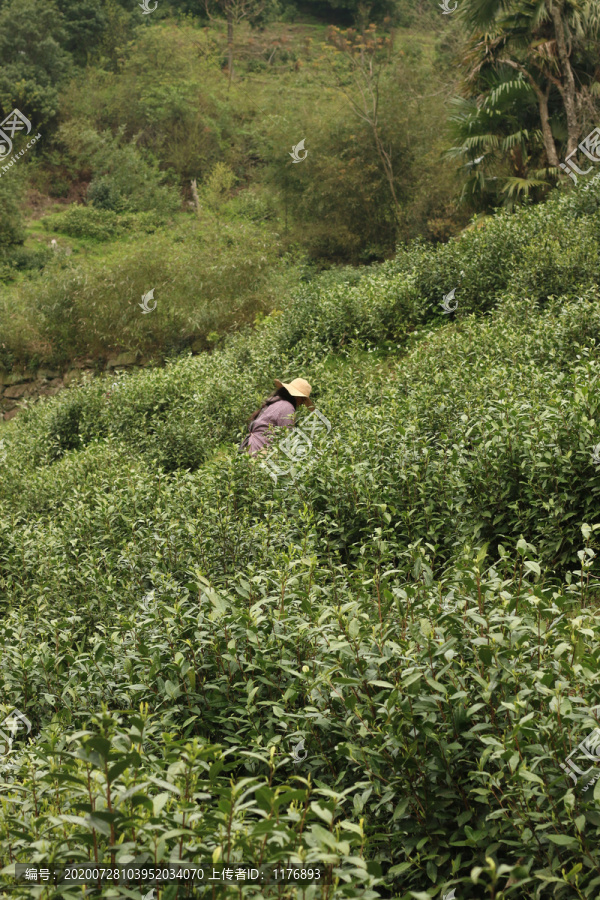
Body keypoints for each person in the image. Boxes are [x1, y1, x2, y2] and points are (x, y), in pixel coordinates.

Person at [239, 378, 314, 456]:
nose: (302, 403)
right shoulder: (287, 407)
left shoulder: (277, 402)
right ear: (297, 397)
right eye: (303, 400)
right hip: (261, 449)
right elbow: (287, 437)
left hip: (253, 447)